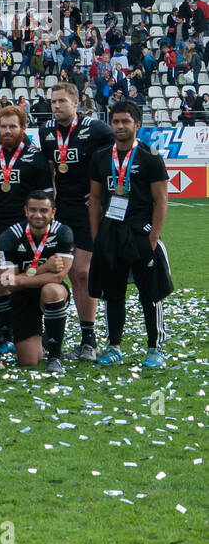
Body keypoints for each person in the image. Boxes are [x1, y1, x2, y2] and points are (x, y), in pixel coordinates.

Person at [87, 100, 173, 368]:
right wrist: (96, 236)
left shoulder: (150, 157)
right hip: (111, 232)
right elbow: (96, 198)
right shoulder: (101, 156)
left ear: (137, 125)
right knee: (113, 293)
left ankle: (154, 348)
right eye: (116, 121)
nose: (120, 126)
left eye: (125, 121)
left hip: (140, 231)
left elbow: (161, 200)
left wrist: (153, 237)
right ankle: (114, 347)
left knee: (150, 293)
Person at [37, 82, 113, 360]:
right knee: (54, 272)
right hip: (58, 210)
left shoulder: (97, 130)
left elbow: (113, 162)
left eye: (61, 102)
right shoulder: (46, 131)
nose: (56, 107)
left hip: (86, 209)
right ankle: (50, 333)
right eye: (53, 102)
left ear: (76, 101)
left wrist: (100, 197)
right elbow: (48, 168)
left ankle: (88, 338)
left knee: (82, 272)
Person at [0, 103, 55, 353]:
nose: (7, 131)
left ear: (23, 128)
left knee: (33, 277)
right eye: (4, 126)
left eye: (12, 127)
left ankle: (39, 328)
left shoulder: (35, 157)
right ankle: (2, 331)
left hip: (27, 231)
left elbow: (47, 199)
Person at [0, 190, 74, 372]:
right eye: (33, 210)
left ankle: (55, 356)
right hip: (22, 297)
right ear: (25, 211)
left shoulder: (63, 233)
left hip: (49, 292)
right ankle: (43, 337)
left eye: (44, 210)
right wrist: (43, 268)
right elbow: (7, 282)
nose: (38, 215)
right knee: (29, 361)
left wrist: (20, 278)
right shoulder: (10, 236)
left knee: (52, 290)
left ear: (53, 212)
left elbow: (58, 277)